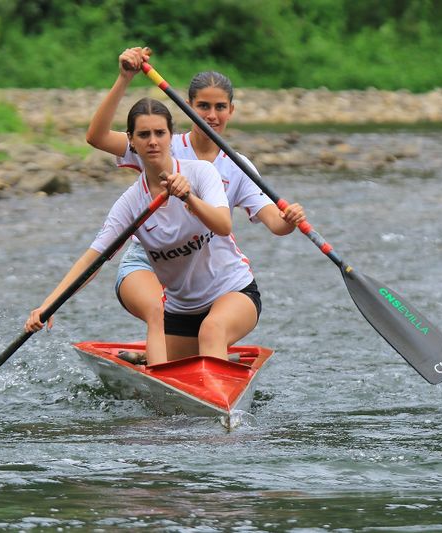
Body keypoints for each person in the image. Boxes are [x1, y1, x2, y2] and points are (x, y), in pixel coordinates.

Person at [84, 47, 306, 355]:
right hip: (163, 271)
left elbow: (275, 223)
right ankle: (154, 359)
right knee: (165, 332)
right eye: (202, 106)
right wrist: (124, 79)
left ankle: (160, 362)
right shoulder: (160, 141)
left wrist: (290, 220)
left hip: (211, 275)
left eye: (219, 107)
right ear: (188, 107)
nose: (211, 116)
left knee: (208, 333)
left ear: (231, 110)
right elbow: (97, 137)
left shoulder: (238, 166)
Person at [26, 98, 264, 366]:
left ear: (171, 138)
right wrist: (50, 303)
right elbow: (91, 261)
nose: (153, 141)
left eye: (160, 133)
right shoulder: (130, 204)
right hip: (181, 311)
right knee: (164, 358)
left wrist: (189, 198)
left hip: (233, 292)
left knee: (212, 330)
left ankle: (218, 398)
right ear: (131, 141)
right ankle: (154, 372)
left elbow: (223, 225)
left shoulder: (201, 174)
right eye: (144, 134)